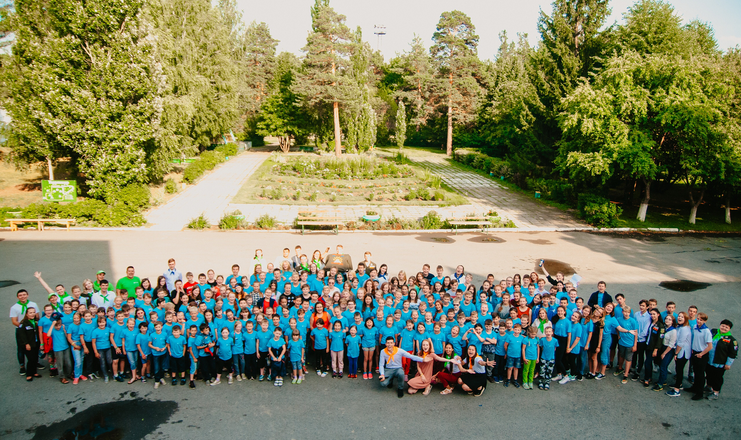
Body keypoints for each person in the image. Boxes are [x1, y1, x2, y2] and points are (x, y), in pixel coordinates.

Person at [10, 289, 40, 376]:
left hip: (32, 329)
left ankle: (34, 363)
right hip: (22, 329)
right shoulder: (14, 307)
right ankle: (22, 366)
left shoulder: (33, 304)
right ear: (17, 297)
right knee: (21, 348)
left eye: (24, 294)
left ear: (27, 295)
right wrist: (23, 327)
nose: (22, 296)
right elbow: (14, 321)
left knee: (35, 347)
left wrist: (33, 326)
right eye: (20, 295)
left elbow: (37, 317)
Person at [705, 319, 737, 400]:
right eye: (723, 326)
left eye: (726, 327)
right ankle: (708, 387)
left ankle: (715, 392)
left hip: (720, 362)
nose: (724, 328)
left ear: (729, 329)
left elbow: (732, 353)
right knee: (709, 374)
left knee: (717, 377)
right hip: (710, 360)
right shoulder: (714, 332)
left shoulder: (731, 340)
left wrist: (728, 364)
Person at [688, 313, 713, 400]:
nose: (698, 321)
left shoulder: (706, 331)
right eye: (698, 319)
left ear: (705, 321)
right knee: (695, 371)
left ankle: (700, 392)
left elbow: (710, 346)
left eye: (701, 320)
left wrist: (701, 354)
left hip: (701, 354)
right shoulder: (695, 327)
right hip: (694, 351)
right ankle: (694, 387)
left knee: (700, 374)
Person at [18, 307, 41, 381]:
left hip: (36, 343)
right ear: (27, 314)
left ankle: (34, 372)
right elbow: (22, 335)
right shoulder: (23, 324)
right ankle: (29, 374)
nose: (32, 314)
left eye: (34, 312)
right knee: (31, 359)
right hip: (28, 344)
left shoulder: (36, 322)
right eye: (30, 313)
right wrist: (26, 344)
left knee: (35, 358)